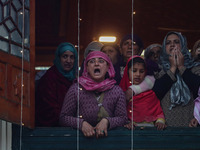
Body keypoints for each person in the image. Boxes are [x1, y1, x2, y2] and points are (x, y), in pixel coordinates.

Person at [59, 51, 127, 138]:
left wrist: (107, 121)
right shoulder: (75, 89)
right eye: (92, 61)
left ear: (107, 67)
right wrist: (81, 124)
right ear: (86, 68)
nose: (96, 64)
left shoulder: (117, 91)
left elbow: (123, 118)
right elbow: (63, 118)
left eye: (101, 61)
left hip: (110, 143)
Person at [153, 31, 200, 127]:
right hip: (166, 128)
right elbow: (156, 94)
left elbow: (198, 87)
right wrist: (173, 68)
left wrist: (182, 67)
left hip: (192, 126)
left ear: (183, 45)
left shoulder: (194, 68)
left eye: (176, 42)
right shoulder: (158, 69)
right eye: (168, 43)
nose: (172, 45)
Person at [35, 42, 78, 127]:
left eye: (72, 57)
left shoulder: (75, 79)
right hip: (51, 129)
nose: (68, 61)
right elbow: (47, 110)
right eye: (65, 56)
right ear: (58, 58)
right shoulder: (49, 78)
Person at [119, 56, 165, 130]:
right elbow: (119, 116)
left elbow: (158, 113)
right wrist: (127, 123)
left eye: (141, 71)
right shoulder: (121, 94)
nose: (138, 74)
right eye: (134, 71)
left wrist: (160, 122)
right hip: (129, 133)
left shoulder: (151, 94)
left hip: (150, 133)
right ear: (127, 72)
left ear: (145, 72)